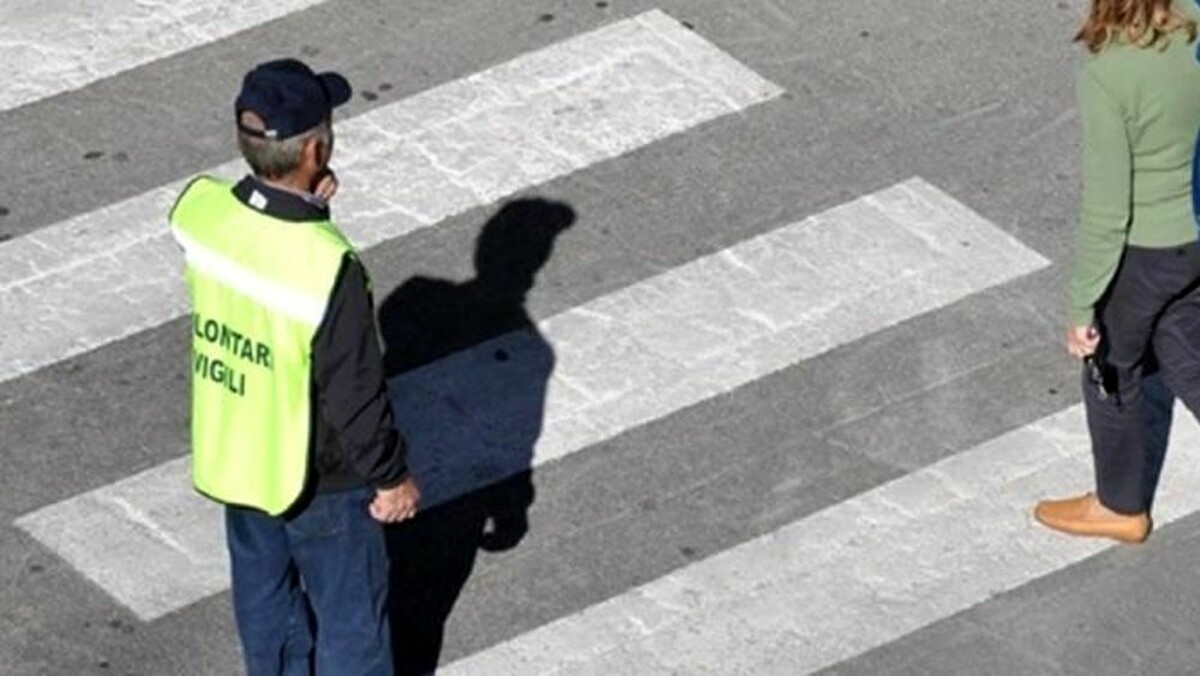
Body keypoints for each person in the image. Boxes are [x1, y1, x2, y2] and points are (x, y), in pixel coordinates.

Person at [169, 58, 421, 675]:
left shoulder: (202, 213)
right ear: (315, 149)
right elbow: (354, 394)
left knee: (264, 603)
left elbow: (261, 243)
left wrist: (304, 205)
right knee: (352, 625)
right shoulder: (327, 266)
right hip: (321, 481)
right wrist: (392, 479)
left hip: (237, 456)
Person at [1034, 0, 1200, 544]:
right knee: (1179, 341)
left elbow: (1108, 209)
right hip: (1196, 231)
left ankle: (1119, 506)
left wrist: (1083, 307)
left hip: (1149, 246)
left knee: (1112, 364)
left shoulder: (1110, 71)